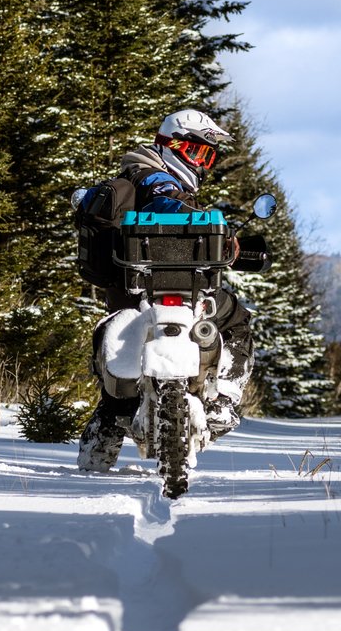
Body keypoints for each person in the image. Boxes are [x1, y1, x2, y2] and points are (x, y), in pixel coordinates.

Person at [77, 109, 254, 473]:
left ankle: (95, 460)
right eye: (197, 152)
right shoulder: (156, 178)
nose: (201, 163)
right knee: (236, 318)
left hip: (127, 292)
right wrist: (215, 231)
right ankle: (224, 399)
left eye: (207, 156)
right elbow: (167, 205)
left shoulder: (132, 176)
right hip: (170, 288)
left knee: (115, 396)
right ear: (171, 146)